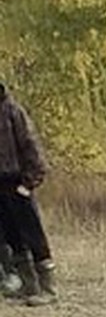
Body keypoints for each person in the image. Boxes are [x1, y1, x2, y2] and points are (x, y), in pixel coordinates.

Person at [0, 82, 57, 305]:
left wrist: (30, 182)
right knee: (13, 236)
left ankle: (49, 289)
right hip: (0, 185)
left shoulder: (13, 111)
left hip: (18, 182)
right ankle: (28, 285)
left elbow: (31, 146)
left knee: (33, 234)